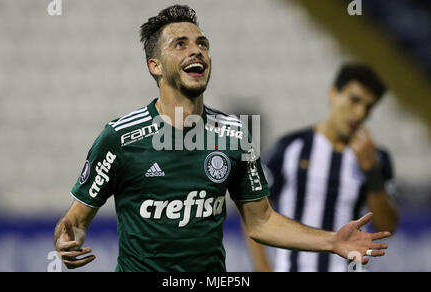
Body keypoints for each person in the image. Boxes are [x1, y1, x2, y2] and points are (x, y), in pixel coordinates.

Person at [54, 5, 391, 272]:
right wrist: (66, 241)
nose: (196, 50)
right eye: (181, 44)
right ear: (155, 66)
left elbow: (261, 221)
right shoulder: (121, 137)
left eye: (202, 44)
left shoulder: (234, 135)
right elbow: (74, 222)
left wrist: (332, 241)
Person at [247, 63, 399, 272]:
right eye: (354, 100)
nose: (359, 112)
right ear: (333, 93)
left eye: (368, 107)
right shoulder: (290, 148)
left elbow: (386, 227)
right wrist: (262, 266)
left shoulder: (376, 159)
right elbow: (254, 213)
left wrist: (371, 171)